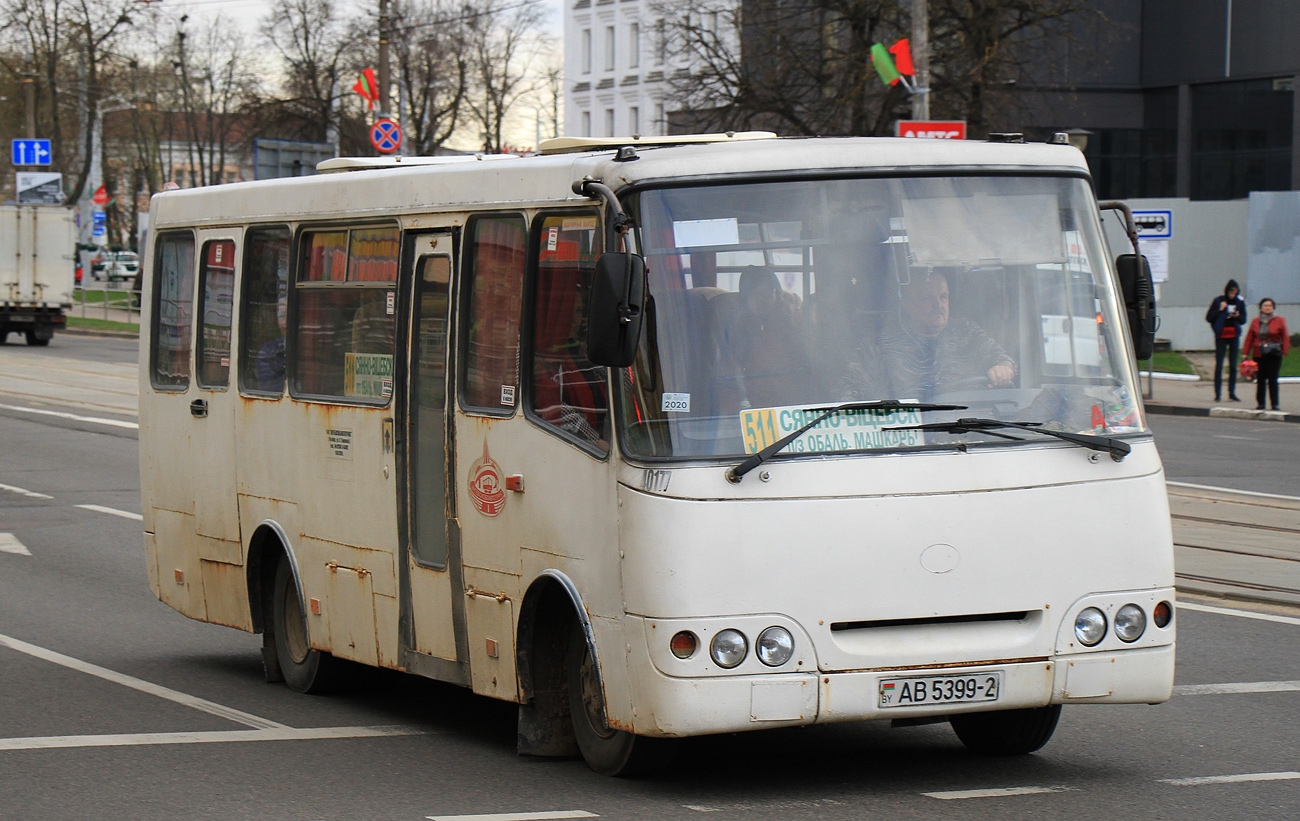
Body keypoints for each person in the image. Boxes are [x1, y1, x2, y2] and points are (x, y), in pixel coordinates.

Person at [879, 270, 1015, 401]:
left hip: (969, 419)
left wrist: (1003, 369)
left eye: (943, 297)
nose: (938, 305)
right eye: (927, 298)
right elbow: (858, 385)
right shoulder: (882, 345)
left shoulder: (966, 332)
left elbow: (1002, 359)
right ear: (907, 304)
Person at [1241, 298, 1289, 411]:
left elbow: (1285, 336)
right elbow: (1250, 337)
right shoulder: (1255, 321)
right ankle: (1260, 404)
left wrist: (1284, 350)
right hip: (1259, 354)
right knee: (1260, 379)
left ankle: (1275, 404)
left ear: (1273, 308)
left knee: (1273, 379)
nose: (1268, 307)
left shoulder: (1280, 320)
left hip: (1274, 354)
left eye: (1270, 306)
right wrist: (1245, 352)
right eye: (1265, 305)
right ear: (1261, 308)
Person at [1205, 279, 1246, 401]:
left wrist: (1237, 316)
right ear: (1227, 291)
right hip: (1221, 336)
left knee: (1233, 366)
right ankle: (1217, 394)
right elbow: (1209, 317)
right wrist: (1220, 309)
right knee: (1219, 365)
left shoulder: (1239, 302)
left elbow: (1243, 320)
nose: (1233, 295)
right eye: (1231, 292)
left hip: (1234, 336)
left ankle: (1231, 392)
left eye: (1235, 292)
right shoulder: (1218, 301)